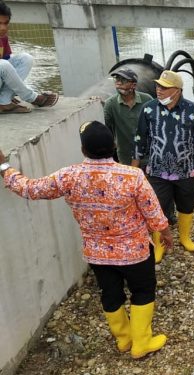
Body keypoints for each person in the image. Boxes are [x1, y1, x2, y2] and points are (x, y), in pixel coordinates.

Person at [0, 121, 173, 359]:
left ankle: (123, 340)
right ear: (113, 146)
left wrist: (4, 166)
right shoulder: (133, 176)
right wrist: (164, 232)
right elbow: (152, 212)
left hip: (97, 253)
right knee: (142, 290)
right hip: (135, 251)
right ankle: (141, 343)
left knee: (110, 293)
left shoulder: (69, 176)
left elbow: (31, 189)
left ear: (83, 150)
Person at [133, 70, 194, 261]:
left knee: (187, 204)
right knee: (158, 207)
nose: (158, 90)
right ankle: (159, 244)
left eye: (164, 87)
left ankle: (185, 237)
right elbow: (139, 139)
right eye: (158, 86)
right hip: (158, 171)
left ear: (177, 90)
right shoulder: (148, 109)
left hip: (187, 170)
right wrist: (134, 167)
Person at [0, 1, 57, 113]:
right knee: (3, 64)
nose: (3, 28)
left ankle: (4, 100)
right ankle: (32, 97)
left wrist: (10, 90)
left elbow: (7, 68)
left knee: (26, 58)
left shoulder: (3, 38)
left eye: (6, 23)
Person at [103, 68, 153, 165]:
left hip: (149, 156)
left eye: (123, 80)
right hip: (126, 158)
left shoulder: (147, 99)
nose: (119, 83)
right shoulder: (110, 104)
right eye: (117, 79)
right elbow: (107, 130)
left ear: (133, 85)